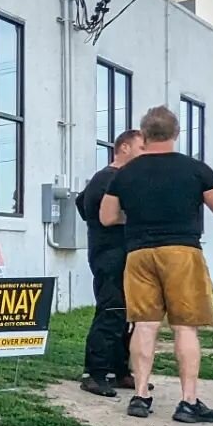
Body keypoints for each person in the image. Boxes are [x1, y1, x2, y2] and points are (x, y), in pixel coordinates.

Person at [101, 105, 213, 423]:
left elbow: (107, 217)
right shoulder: (195, 169)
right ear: (176, 134)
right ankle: (188, 402)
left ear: (144, 136)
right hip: (182, 251)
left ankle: (141, 395)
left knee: (144, 325)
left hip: (138, 254)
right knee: (184, 326)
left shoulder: (125, 173)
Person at [75, 129, 143, 397]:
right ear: (124, 148)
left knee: (128, 315)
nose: (144, 155)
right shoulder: (105, 179)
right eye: (140, 148)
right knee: (111, 310)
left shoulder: (122, 179)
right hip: (110, 256)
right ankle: (95, 372)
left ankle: (121, 371)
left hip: (126, 255)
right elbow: (91, 208)